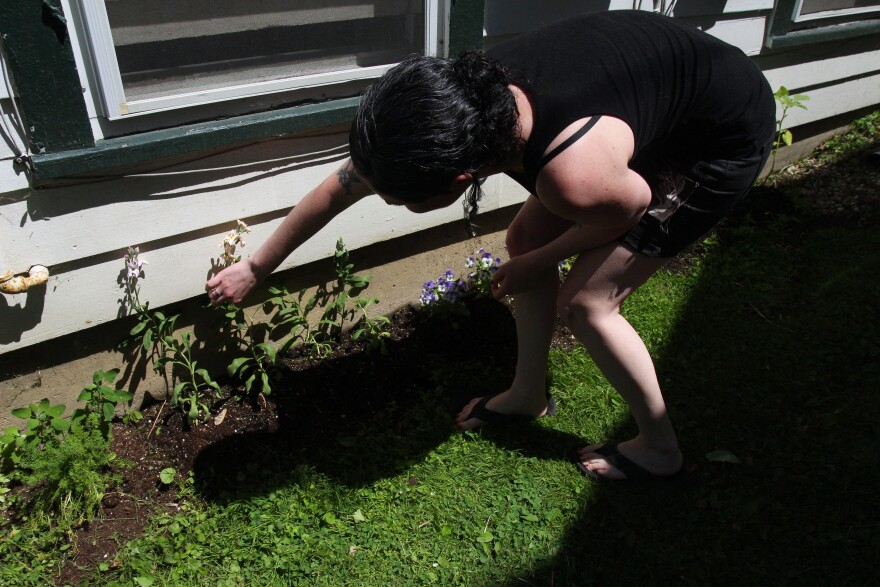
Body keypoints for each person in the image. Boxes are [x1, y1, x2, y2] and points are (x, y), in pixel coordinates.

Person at [206, 10, 775, 481]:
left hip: (716, 138)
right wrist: (257, 266)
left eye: (403, 201)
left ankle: (660, 449)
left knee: (586, 302)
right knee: (526, 232)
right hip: (651, 105)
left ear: (460, 181)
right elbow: (340, 188)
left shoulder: (570, 171)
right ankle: (527, 394)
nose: (389, 202)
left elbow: (626, 207)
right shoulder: (457, 108)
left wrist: (537, 263)